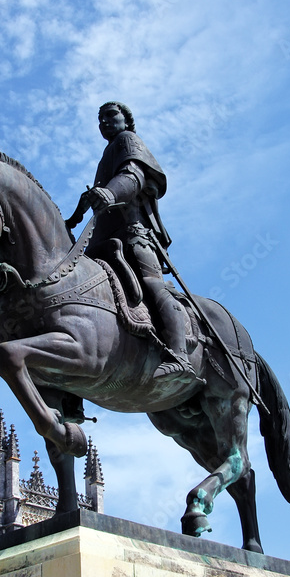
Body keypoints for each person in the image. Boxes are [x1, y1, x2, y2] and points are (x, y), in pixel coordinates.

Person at [66, 101, 193, 380]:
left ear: (127, 120)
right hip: (102, 241)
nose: (104, 122)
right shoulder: (106, 154)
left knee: (152, 285)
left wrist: (109, 194)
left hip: (133, 234)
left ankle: (179, 355)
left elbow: (133, 175)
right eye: (100, 119)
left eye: (111, 115)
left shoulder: (127, 140)